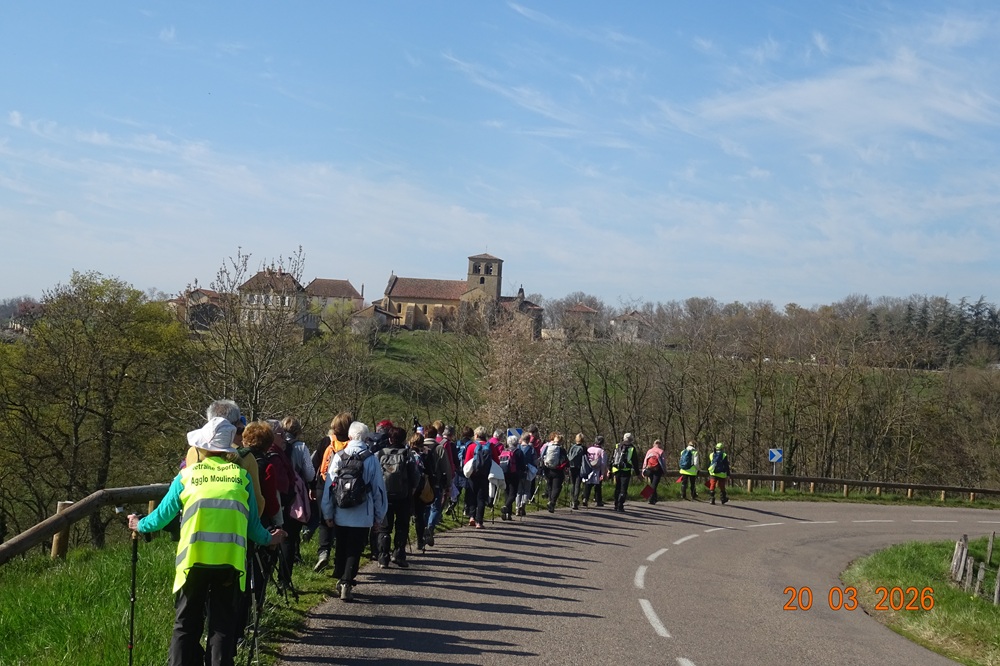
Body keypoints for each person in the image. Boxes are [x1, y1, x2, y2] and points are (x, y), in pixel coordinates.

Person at [129, 417, 285, 666]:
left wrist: (139, 524)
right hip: (230, 564)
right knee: (222, 627)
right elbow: (253, 528)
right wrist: (272, 538)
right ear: (228, 449)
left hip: (193, 562)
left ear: (201, 447)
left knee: (185, 626)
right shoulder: (241, 479)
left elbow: (160, 518)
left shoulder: (186, 477)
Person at [321, 421, 388, 601]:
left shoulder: (338, 456)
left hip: (341, 512)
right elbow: (378, 491)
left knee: (342, 546)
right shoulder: (371, 459)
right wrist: (379, 516)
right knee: (355, 549)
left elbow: (329, 487)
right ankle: (346, 582)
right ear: (366, 438)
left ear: (349, 437)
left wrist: (327, 513)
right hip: (362, 514)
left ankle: (341, 575)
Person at [185, 400, 264, 517]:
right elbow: (257, 502)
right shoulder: (247, 458)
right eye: (240, 429)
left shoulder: (194, 452)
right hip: (235, 526)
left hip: (197, 522)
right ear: (232, 428)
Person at [314, 412, 352, 573]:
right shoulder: (353, 444)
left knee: (324, 522)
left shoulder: (326, 442)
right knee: (340, 524)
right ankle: (339, 560)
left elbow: (315, 463)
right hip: (345, 488)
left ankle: (323, 552)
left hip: (324, 485)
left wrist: (311, 487)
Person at [376, 426, 419, 567]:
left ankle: (383, 557)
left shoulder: (380, 454)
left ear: (389, 438)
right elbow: (415, 475)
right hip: (403, 496)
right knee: (402, 526)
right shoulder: (408, 454)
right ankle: (399, 555)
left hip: (384, 497)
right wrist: (412, 489)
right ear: (404, 439)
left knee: (384, 528)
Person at [281, 416, 315, 563]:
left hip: (277, 490)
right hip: (295, 492)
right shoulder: (301, 447)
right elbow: (309, 474)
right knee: (293, 531)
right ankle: (290, 564)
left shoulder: (274, 445)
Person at [423, 425, 453, 545]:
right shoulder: (439, 448)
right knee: (436, 507)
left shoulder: (418, 447)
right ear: (436, 435)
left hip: (422, 483)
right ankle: (430, 527)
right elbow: (446, 468)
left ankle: (423, 530)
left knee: (424, 508)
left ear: (424, 435)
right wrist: (448, 484)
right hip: (436, 482)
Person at [463, 426, 498, 528]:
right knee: (481, 498)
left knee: (472, 496)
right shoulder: (490, 446)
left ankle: (472, 517)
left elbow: (466, 462)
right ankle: (479, 522)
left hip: (473, 475)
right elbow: (496, 461)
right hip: (485, 476)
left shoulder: (471, 446)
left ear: (476, 435)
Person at [611, 433, 640, 512]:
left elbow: (612, 457)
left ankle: (616, 504)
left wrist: (610, 470)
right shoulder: (632, 448)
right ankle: (620, 505)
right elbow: (635, 462)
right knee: (623, 489)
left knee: (617, 487)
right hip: (626, 470)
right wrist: (638, 473)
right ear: (631, 439)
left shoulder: (618, 445)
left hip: (616, 469)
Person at [539, 433, 568, 513]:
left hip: (547, 470)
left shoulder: (547, 447)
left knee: (549, 486)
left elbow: (541, 456)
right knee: (557, 487)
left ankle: (550, 501)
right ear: (561, 441)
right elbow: (565, 461)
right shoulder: (561, 450)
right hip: (557, 471)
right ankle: (552, 502)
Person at [499, 435, 524, 521]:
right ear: (516, 443)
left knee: (507, 492)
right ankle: (506, 506)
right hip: (514, 474)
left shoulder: (505, 451)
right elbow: (522, 465)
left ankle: (508, 513)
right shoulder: (519, 452)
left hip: (505, 473)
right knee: (513, 493)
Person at [515, 432, 537, 517]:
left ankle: (517, 508)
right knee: (526, 490)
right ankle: (523, 504)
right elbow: (534, 461)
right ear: (528, 440)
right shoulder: (531, 449)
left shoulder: (518, 448)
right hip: (528, 471)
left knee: (519, 491)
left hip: (518, 472)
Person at [582, 436, 607, 508]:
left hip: (589, 469)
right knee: (598, 486)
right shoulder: (601, 451)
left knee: (588, 485)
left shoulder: (589, 449)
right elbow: (603, 463)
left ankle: (585, 498)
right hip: (597, 470)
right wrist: (603, 473)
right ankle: (598, 500)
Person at [642, 439, 666, 504]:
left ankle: (654, 498)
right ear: (660, 445)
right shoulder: (661, 451)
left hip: (649, 469)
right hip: (657, 470)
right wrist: (664, 470)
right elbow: (663, 462)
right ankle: (650, 498)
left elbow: (645, 460)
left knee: (652, 483)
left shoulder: (649, 451)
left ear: (653, 444)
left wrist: (643, 469)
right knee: (654, 484)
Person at [566, 433, 587, 509]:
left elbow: (568, 456)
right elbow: (585, 459)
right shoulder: (584, 448)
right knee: (578, 484)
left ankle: (572, 500)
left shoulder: (572, 447)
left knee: (573, 484)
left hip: (572, 467)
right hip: (579, 467)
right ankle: (575, 501)